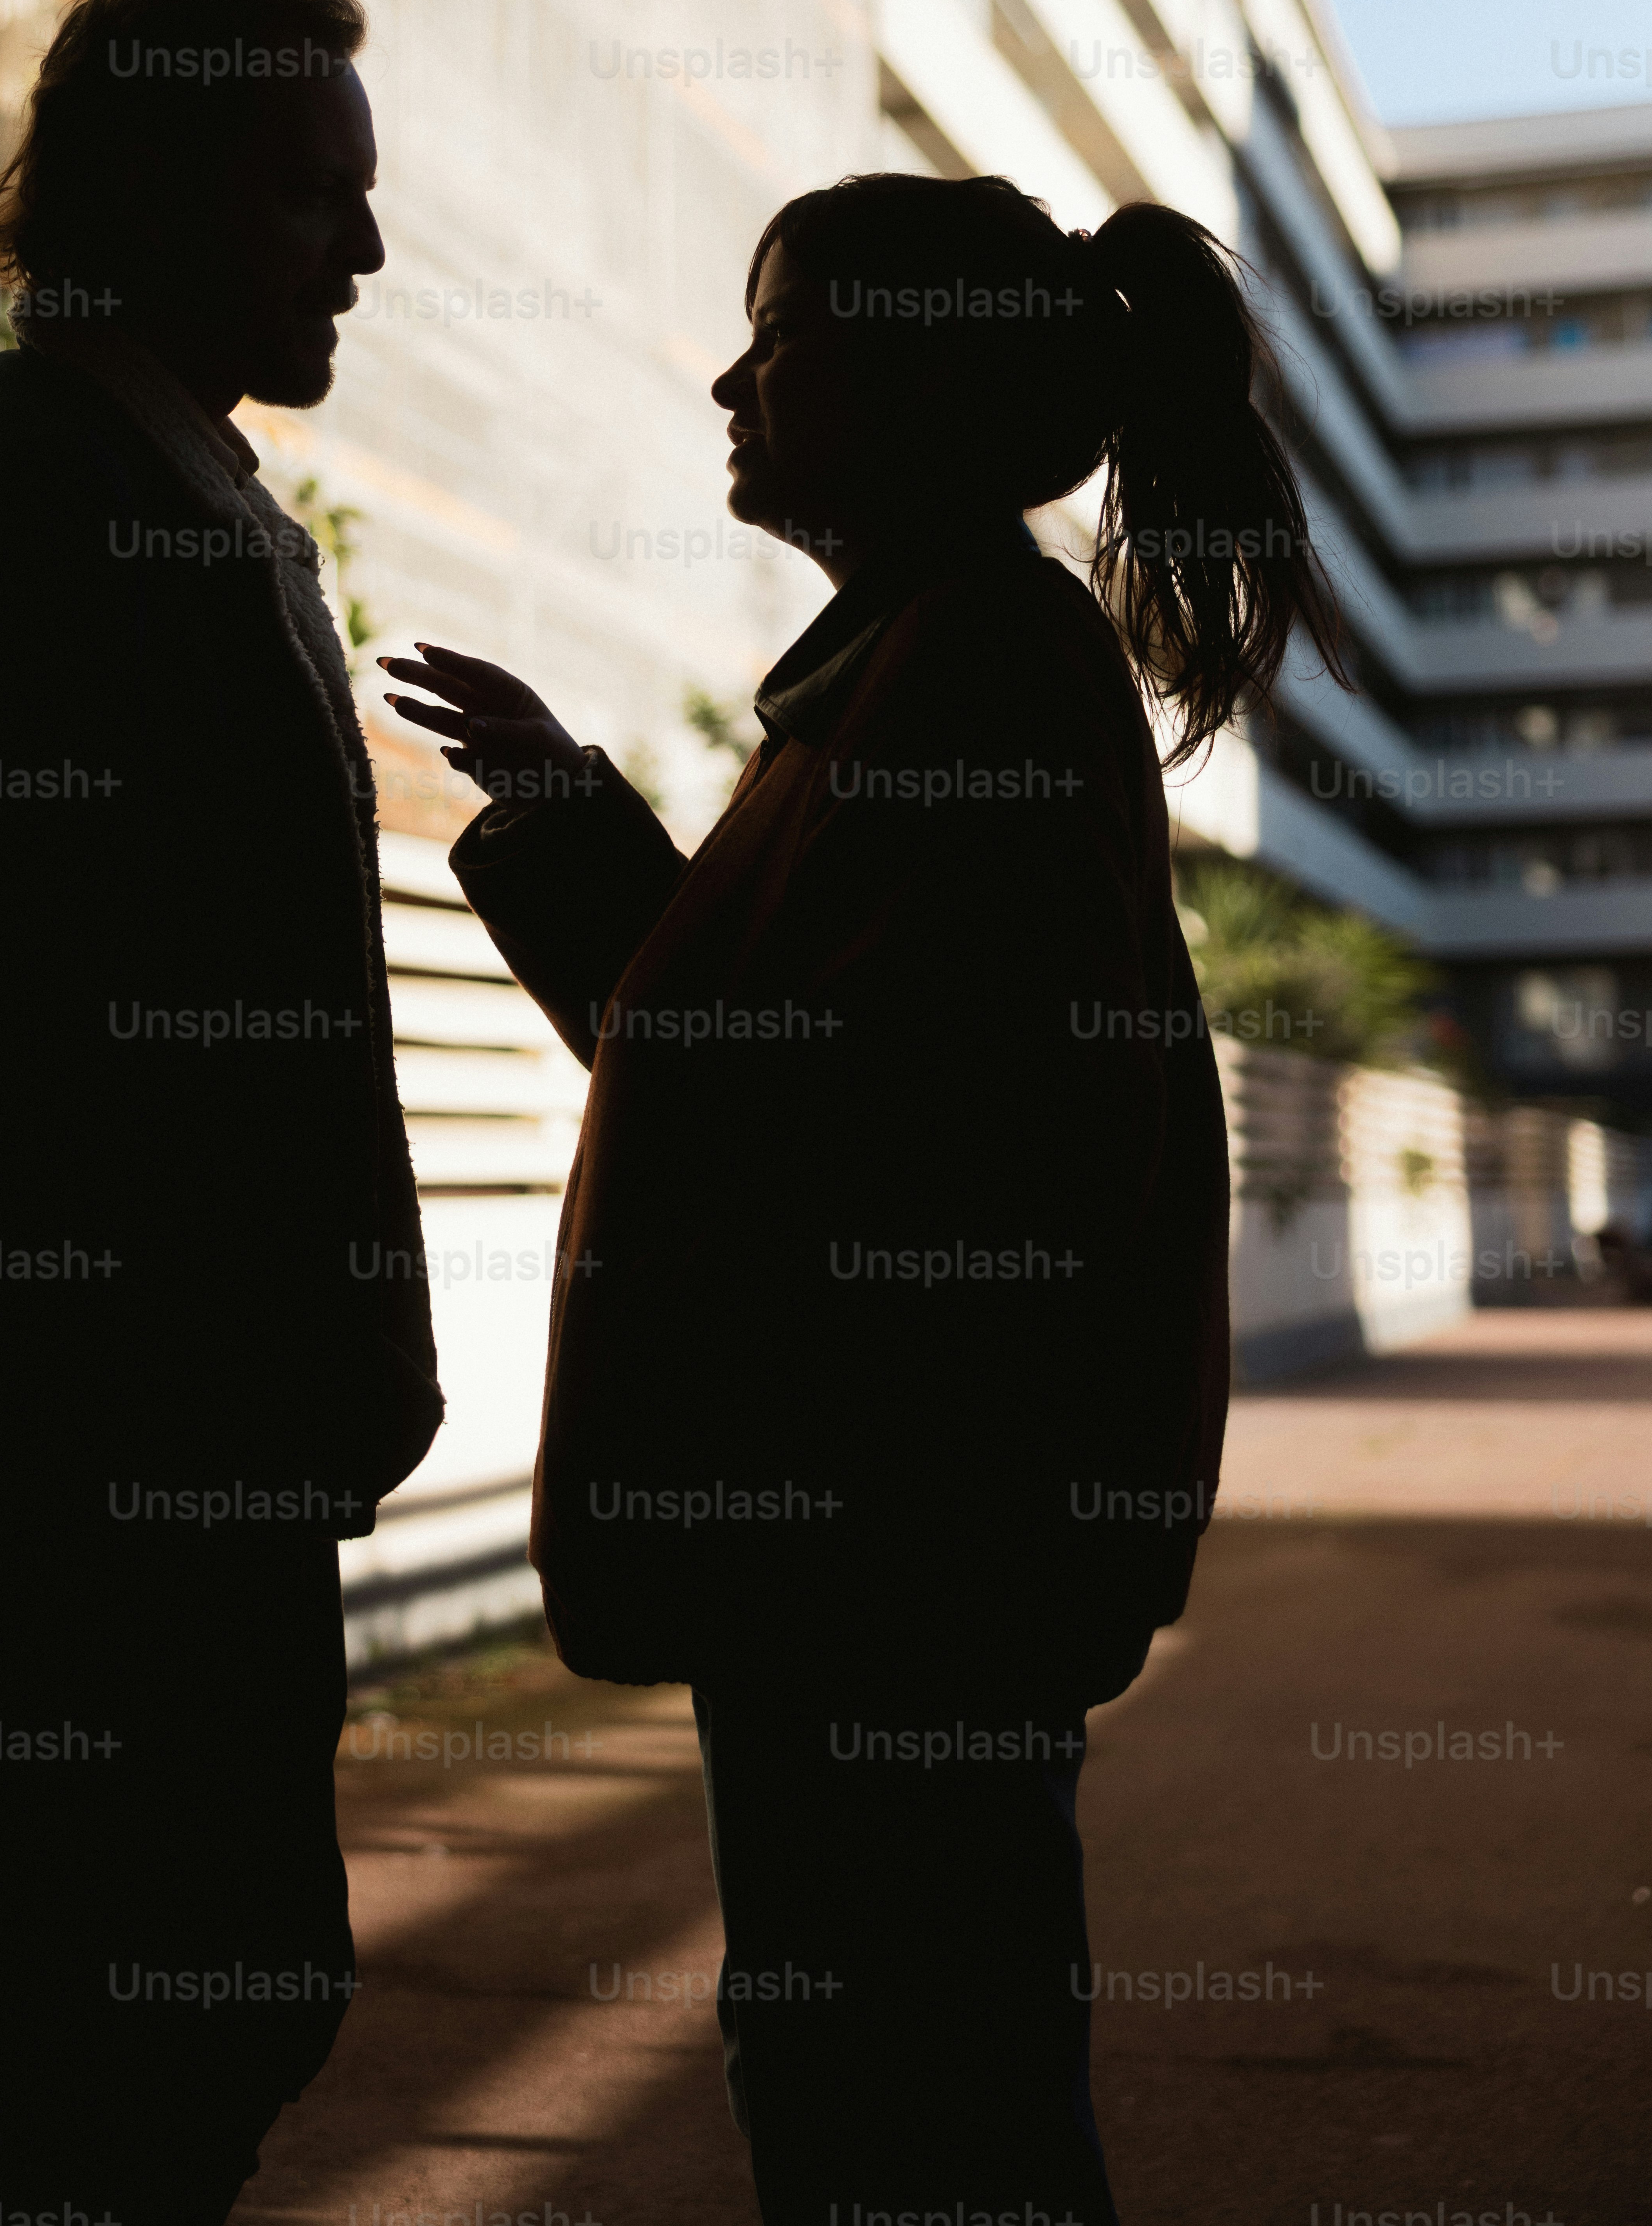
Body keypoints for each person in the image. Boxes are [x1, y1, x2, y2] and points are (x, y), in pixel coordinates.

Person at [380, 171, 1345, 2226]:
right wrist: (566, 813)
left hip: (897, 1575)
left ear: (915, 376)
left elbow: (913, 1138)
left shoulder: (976, 677)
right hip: (880, 1565)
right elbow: (766, 1061)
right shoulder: (918, 672)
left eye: (787, 330)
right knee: (894, 2077)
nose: (733, 380)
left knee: (908, 2104)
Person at [0, 0, 441, 2225]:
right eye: (304, 194)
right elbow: (16, 1049)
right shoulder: (45, 500)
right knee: (158, 2022)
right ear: (157, 191)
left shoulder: (137, 476)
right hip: (104, 1447)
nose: (359, 248)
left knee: (193, 2007)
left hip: (153, 1447)